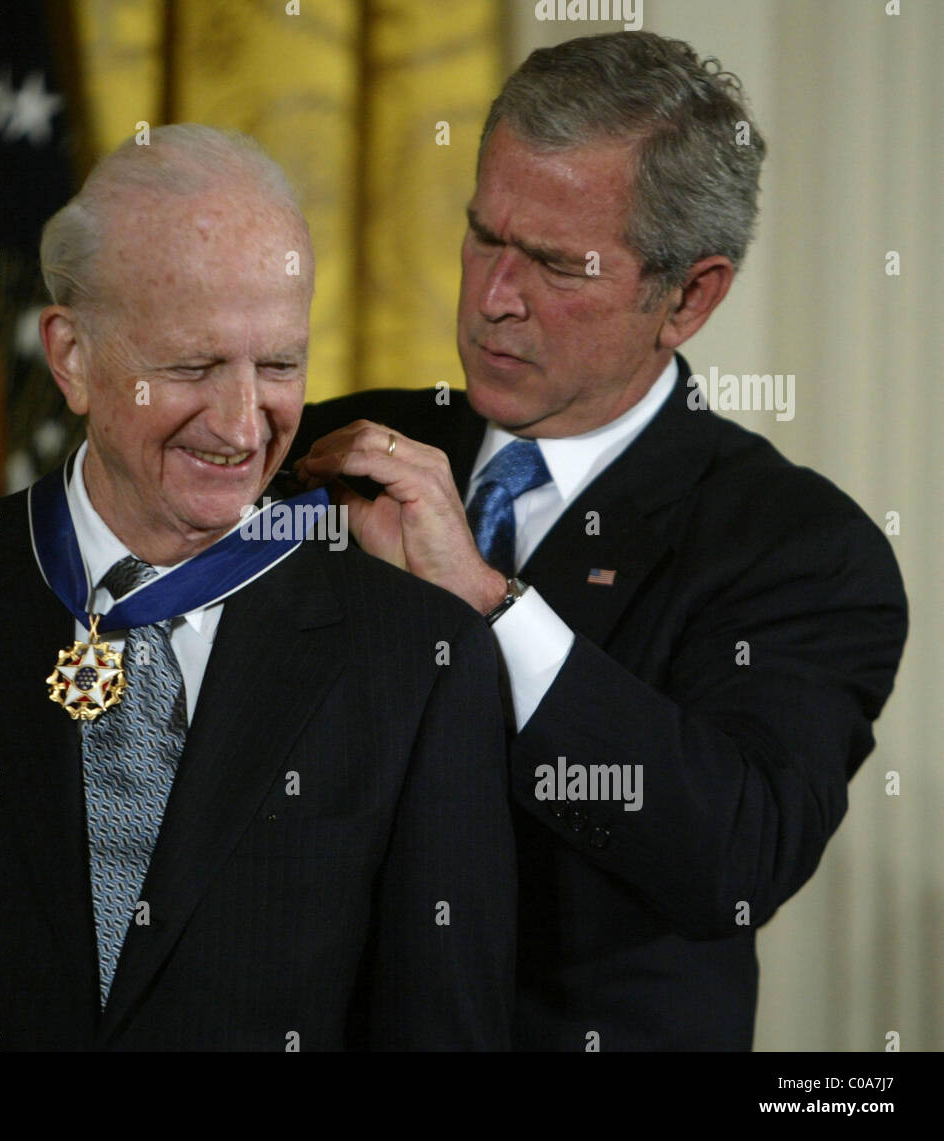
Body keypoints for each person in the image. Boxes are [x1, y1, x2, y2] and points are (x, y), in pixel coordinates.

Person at [0, 125, 516, 1051]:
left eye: (279, 363)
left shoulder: (418, 656)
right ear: (73, 357)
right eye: (194, 366)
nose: (244, 424)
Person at [292, 32, 908, 1050]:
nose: (493, 295)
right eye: (483, 235)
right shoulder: (337, 450)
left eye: (553, 265)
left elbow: (735, 854)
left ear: (688, 296)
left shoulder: (800, 549)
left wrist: (489, 602)